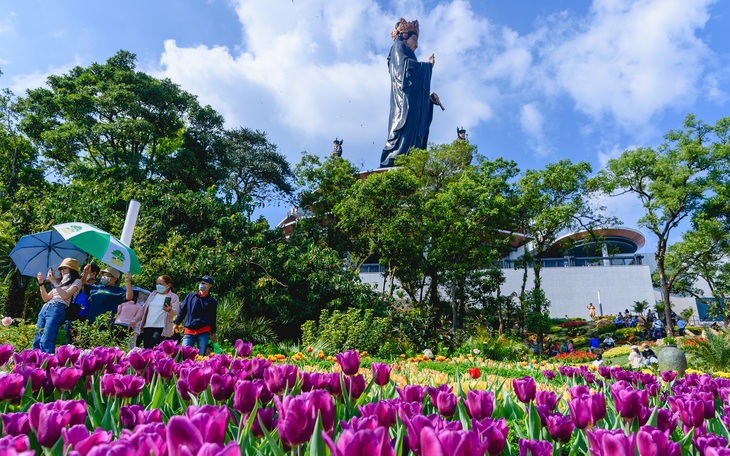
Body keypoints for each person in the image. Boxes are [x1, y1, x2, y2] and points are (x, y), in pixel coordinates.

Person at [380, 18, 439, 167]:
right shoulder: (398, 47)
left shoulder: (412, 55)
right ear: (405, 37)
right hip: (403, 101)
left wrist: (429, 99)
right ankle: (396, 157)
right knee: (404, 131)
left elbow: (416, 81)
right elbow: (403, 71)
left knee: (416, 131)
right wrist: (428, 67)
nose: (417, 44)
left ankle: (412, 159)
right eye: (414, 39)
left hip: (414, 102)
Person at [33, 258, 83, 354]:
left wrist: (54, 282)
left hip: (58, 308)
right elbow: (46, 298)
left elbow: (65, 296)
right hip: (46, 307)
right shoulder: (60, 283)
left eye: (65, 268)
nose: (62, 271)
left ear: (72, 270)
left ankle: (47, 364)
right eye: (61, 269)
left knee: (46, 339)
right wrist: (41, 284)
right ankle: (34, 363)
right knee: (37, 338)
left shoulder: (77, 281)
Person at [130, 275, 180, 349]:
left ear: (168, 285)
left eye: (161, 284)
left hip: (161, 328)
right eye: (157, 284)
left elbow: (175, 312)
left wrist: (169, 310)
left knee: (153, 347)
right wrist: (134, 320)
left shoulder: (173, 296)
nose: (158, 286)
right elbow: (143, 310)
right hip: (148, 326)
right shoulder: (152, 295)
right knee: (147, 349)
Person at [174, 275, 218, 356]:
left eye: (204, 283)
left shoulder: (212, 301)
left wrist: (213, 333)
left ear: (210, 286)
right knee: (184, 354)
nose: (201, 284)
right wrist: (176, 323)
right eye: (200, 282)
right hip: (189, 330)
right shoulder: (190, 297)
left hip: (203, 331)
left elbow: (213, 317)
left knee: (200, 355)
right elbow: (182, 311)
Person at [64, 263, 100, 345]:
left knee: (84, 343)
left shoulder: (98, 288)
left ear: (94, 274)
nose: (83, 273)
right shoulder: (76, 285)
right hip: (74, 315)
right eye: (83, 271)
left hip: (87, 318)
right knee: (69, 343)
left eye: (87, 271)